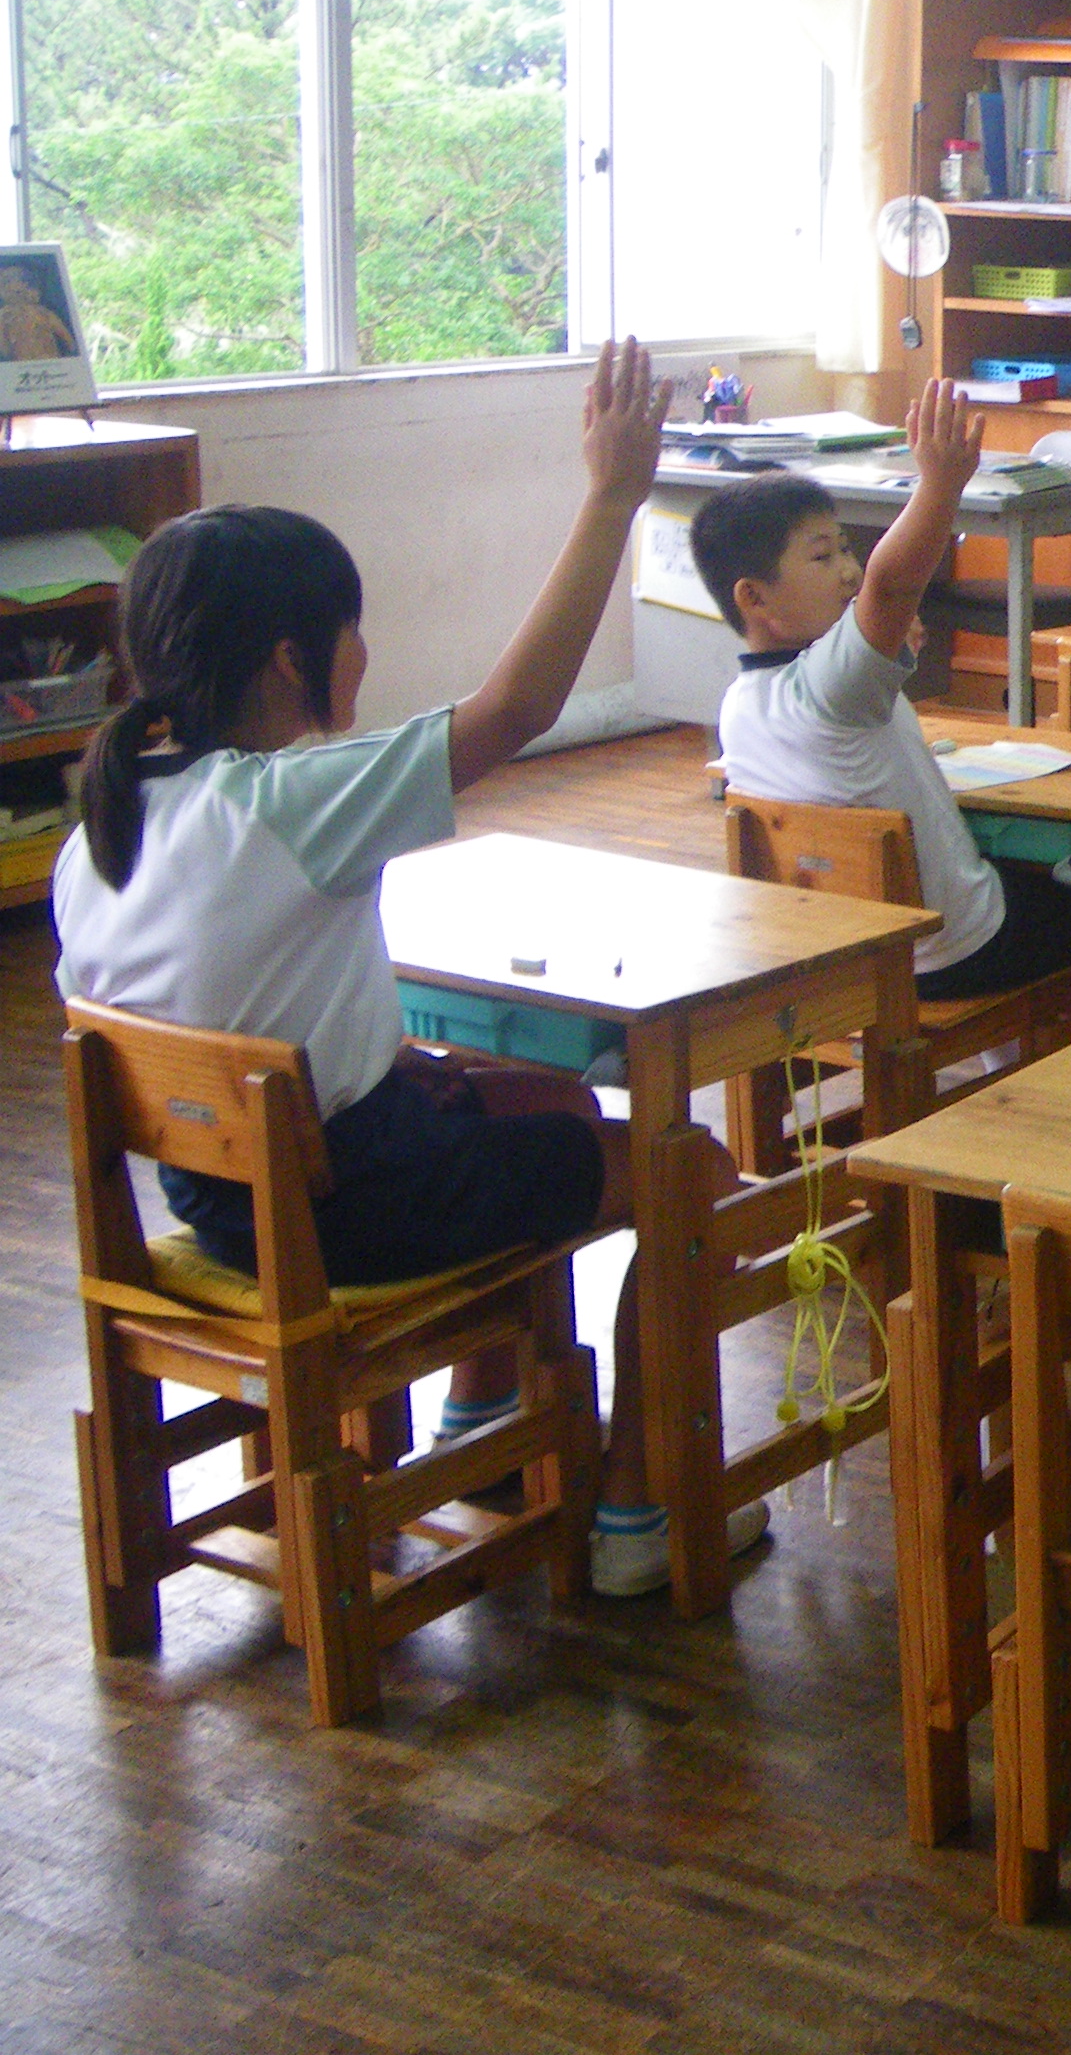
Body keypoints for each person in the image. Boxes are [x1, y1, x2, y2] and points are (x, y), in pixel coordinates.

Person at [49, 342, 728, 1598]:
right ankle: (642, 1512)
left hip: (217, 1201)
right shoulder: (287, 799)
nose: (364, 650)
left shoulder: (101, 825)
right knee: (686, 1167)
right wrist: (611, 497)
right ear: (288, 660)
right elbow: (514, 711)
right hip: (347, 1215)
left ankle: (481, 1424)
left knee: (544, 1100)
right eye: (350, 629)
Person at [694, 377, 1071, 1004]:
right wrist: (940, 486)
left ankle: (996, 1052)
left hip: (843, 955)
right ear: (755, 597)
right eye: (822, 557)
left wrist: (880, 644)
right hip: (951, 952)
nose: (848, 570)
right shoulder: (830, 686)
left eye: (846, 549)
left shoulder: (740, 704)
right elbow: (889, 587)